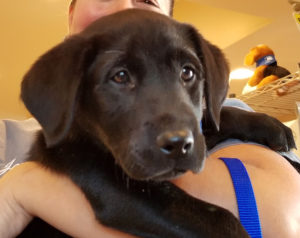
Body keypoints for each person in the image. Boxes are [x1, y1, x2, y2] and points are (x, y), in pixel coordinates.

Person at [0, 0, 300, 237]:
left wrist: (28, 190)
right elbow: (110, 194)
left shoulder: (218, 111)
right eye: (120, 76)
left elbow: (284, 216)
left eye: (187, 73)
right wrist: (14, 192)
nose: (124, 7)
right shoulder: (40, 135)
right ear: (71, 14)